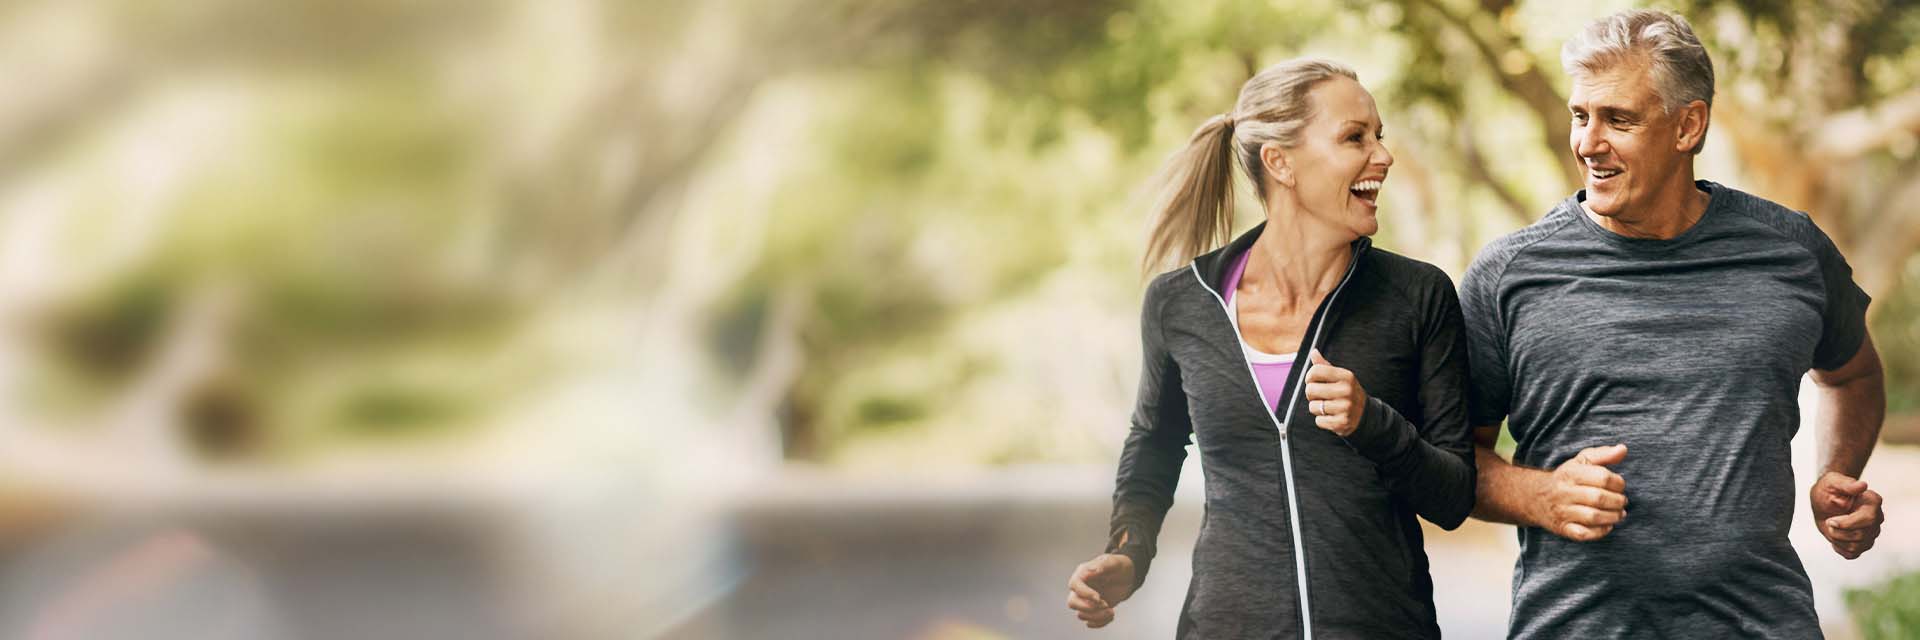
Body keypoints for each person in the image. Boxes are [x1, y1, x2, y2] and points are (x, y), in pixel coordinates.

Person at [1459, 10, 1888, 638]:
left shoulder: (1791, 250)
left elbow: (1853, 374)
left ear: (1689, 125)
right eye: (1581, 115)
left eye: (1618, 119)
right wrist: (1540, 496)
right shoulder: (1509, 274)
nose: (1587, 142)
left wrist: (1837, 476)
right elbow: (1447, 460)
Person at [1064, 57, 1476, 638]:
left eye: (1378, 136)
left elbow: (1455, 494)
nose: (1382, 156)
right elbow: (1154, 447)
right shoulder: (1182, 303)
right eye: (1355, 137)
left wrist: (1372, 423)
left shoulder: (1417, 296)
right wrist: (1128, 555)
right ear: (1280, 162)